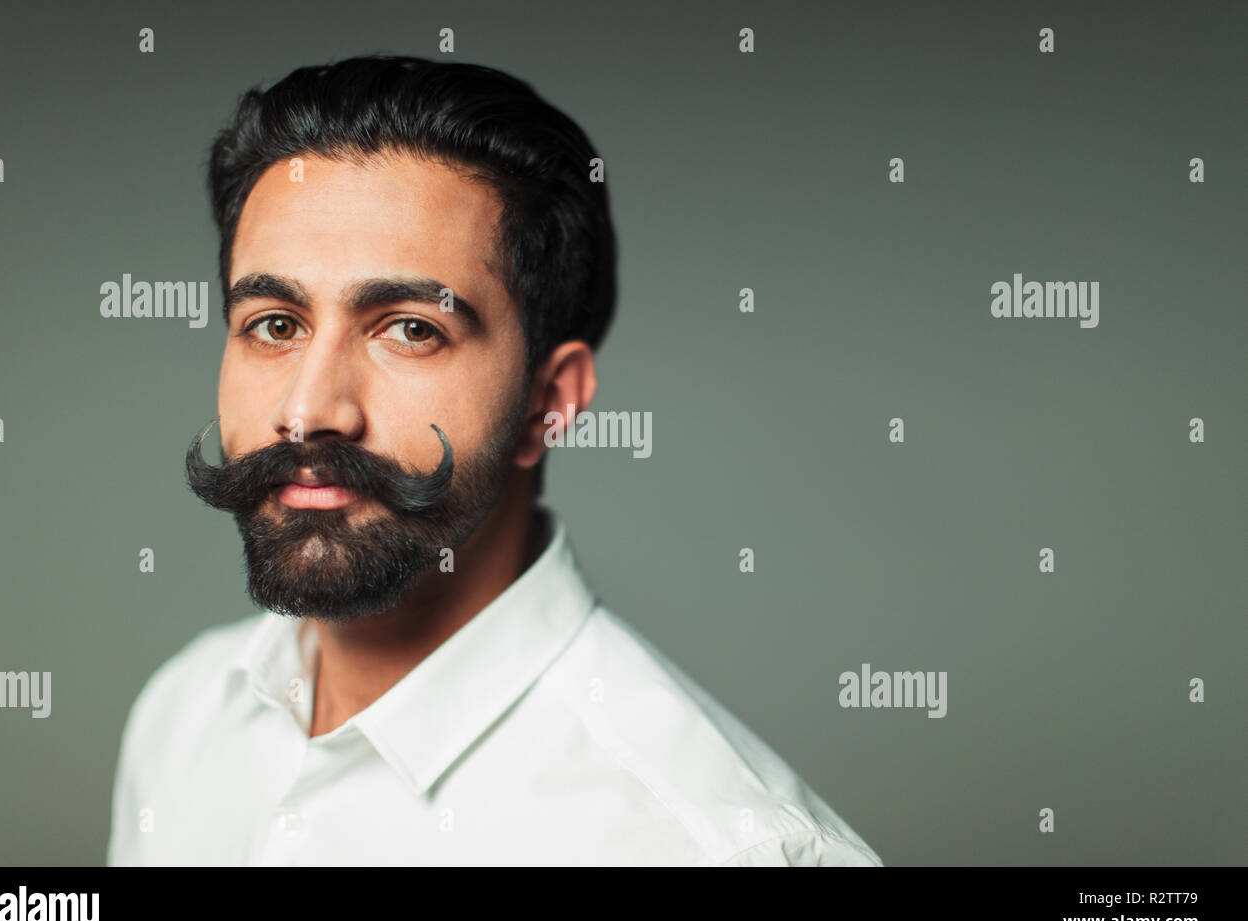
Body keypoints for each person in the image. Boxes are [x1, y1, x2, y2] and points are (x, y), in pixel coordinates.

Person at [107, 54, 882, 866]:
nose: (307, 413)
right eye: (273, 324)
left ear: (549, 401)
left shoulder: (721, 848)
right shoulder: (182, 718)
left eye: (410, 328)